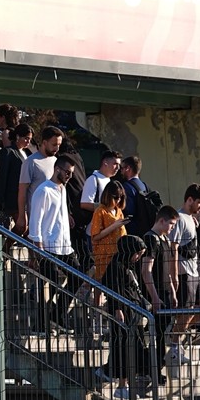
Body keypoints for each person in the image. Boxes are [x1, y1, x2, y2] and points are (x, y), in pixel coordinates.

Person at [27, 154, 83, 333]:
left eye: (71, 173)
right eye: (67, 172)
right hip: (48, 245)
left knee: (77, 275)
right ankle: (42, 322)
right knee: (48, 284)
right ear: (57, 169)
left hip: (64, 244)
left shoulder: (62, 189)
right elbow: (36, 219)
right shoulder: (44, 190)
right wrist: (38, 246)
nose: (69, 176)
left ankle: (57, 314)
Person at [162, 183, 200, 367]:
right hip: (183, 271)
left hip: (194, 271)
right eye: (199, 203)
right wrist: (173, 276)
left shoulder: (192, 219)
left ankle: (175, 332)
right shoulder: (180, 218)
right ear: (189, 199)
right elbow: (173, 248)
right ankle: (174, 346)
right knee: (187, 309)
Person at [101, 234, 152, 400]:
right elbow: (114, 288)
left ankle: (122, 381)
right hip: (123, 312)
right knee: (124, 348)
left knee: (133, 348)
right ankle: (121, 384)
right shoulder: (116, 266)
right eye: (137, 253)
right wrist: (117, 308)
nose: (138, 257)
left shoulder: (128, 266)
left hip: (133, 312)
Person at [16, 125, 63, 233]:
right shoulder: (30, 162)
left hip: (54, 218)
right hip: (37, 218)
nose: (57, 148)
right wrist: (22, 216)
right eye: (54, 144)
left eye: (59, 145)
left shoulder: (56, 161)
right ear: (44, 142)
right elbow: (22, 191)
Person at [0, 123, 32, 230]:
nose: (28, 141)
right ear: (18, 136)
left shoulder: (27, 153)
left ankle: (6, 247)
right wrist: (0, 200)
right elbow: (2, 177)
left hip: (24, 196)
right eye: (26, 138)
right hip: (12, 197)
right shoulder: (8, 152)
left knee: (27, 228)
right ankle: (4, 247)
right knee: (22, 226)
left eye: (30, 139)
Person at [90, 180, 129, 283]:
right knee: (100, 282)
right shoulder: (100, 211)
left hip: (118, 253)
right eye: (116, 197)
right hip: (104, 254)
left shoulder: (119, 210)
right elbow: (95, 236)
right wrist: (114, 226)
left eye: (121, 197)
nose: (118, 200)